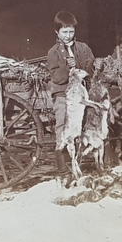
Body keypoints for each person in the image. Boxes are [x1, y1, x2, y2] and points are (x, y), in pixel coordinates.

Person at [47, 10, 95, 176]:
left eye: (71, 32)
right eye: (64, 32)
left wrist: (83, 67)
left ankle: (88, 157)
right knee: (62, 124)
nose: (68, 36)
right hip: (63, 95)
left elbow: (91, 67)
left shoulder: (83, 48)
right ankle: (61, 165)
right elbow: (57, 77)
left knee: (90, 122)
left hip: (81, 95)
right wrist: (69, 68)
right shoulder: (53, 52)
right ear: (57, 32)